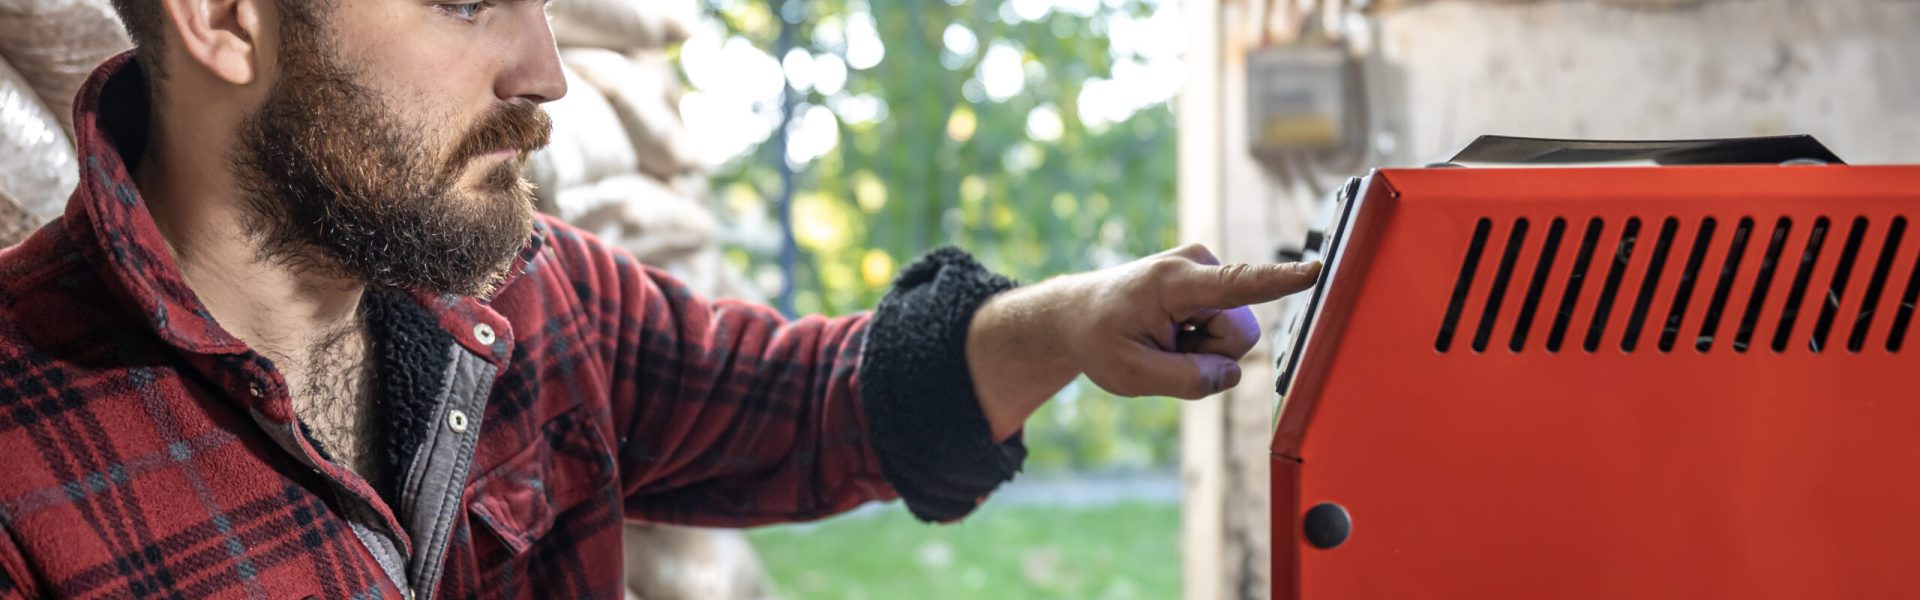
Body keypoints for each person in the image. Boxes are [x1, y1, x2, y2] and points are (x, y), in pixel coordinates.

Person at [0, 0, 1321, 597]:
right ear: (226, 21)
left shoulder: (539, 296)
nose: (547, 69)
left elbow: (817, 405)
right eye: (468, 3)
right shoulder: (22, 460)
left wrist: (1079, 322)